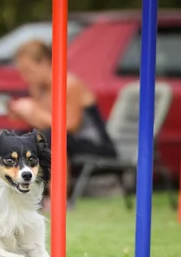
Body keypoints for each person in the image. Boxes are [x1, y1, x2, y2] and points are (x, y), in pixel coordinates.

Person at [8, 39, 117, 208]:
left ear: (44, 63)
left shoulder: (69, 84)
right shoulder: (39, 88)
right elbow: (43, 124)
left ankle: (59, 199)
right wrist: (24, 114)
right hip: (65, 138)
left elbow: (70, 126)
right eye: (22, 72)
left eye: (29, 71)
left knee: (53, 138)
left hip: (94, 144)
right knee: (22, 137)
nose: (26, 78)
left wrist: (35, 111)